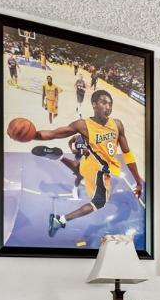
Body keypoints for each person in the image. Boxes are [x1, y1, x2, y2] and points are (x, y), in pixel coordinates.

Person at [32, 90, 144, 238]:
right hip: (101, 171)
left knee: (79, 173)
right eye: (104, 103)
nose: (108, 107)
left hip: (89, 161)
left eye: (110, 104)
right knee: (98, 203)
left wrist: (137, 179)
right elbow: (53, 134)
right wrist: (32, 135)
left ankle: (58, 157)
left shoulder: (117, 124)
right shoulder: (83, 125)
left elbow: (127, 154)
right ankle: (60, 220)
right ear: (94, 104)